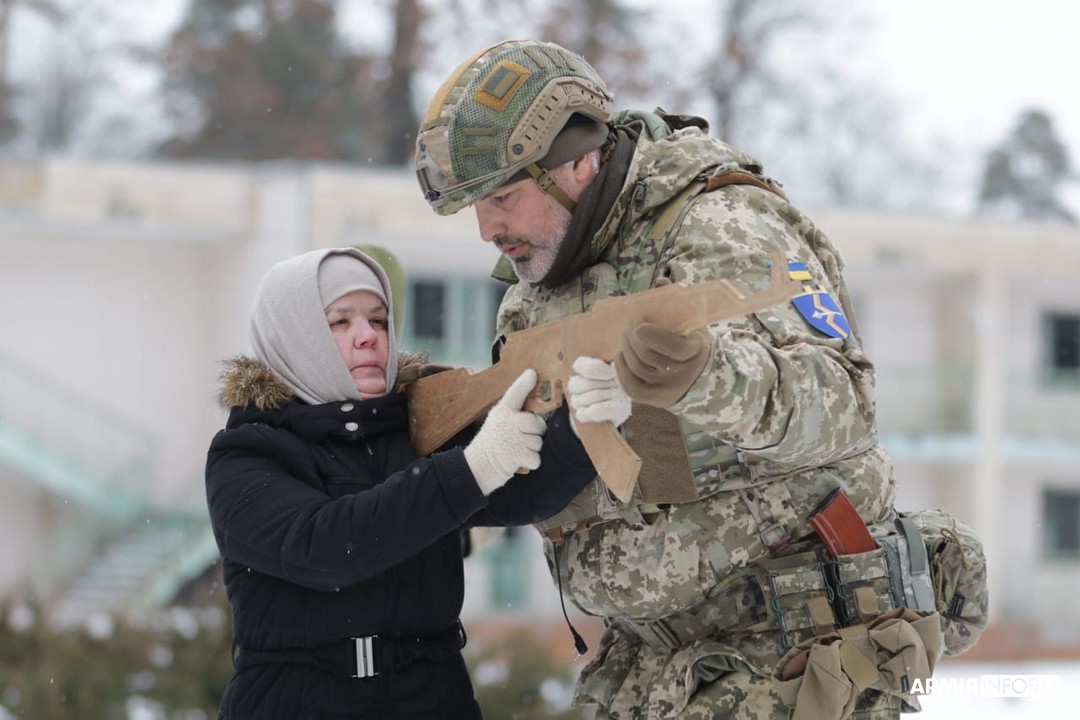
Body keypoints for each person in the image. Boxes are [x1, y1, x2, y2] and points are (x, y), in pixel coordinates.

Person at [414, 39, 951, 719]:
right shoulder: (537, 289)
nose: (488, 228)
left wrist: (701, 375)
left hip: (787, 650)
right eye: (476, 205)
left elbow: (844, 401)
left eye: (504, 196)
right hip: (645, 664)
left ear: (577, 162)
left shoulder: (718, 224)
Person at [204, 247, 609, 719]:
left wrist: (584, 427)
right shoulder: (245, 453)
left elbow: (521, 493)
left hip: (432, 698)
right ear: (294, 335)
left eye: (378, 320)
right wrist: (472, 468)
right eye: (340, 322)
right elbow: (327, 548)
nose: (368, 336)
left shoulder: (416, 426)